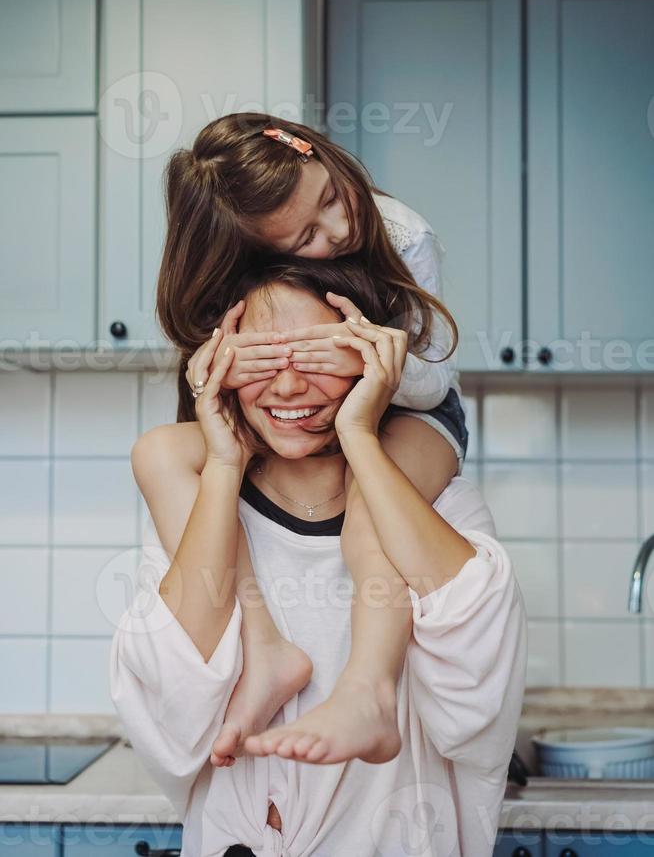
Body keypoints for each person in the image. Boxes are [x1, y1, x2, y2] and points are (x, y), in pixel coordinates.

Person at [110, 259, 527, 857]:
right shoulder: (198, 510)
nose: (286, 388)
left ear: (372, 358)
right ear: (220, 362)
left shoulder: (440, 507)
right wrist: (224, 464)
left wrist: (360, 430)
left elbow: (478, 702)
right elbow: (172, 721)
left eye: (316, 359)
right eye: (259, 360)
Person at [156, 114, 470, 768]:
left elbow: (435, 370)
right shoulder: (242, 259)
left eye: (330, 198)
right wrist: (219, 364)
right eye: (305, 238)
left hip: (416, 410)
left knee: (369, 505)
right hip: (304, 432)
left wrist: (363, 360)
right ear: (263, 248)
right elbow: (215, 355)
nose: (340, 230)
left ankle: (369, 695)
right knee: (160, 454)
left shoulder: (404, 230)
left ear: (312, 150)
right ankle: (267, 651)